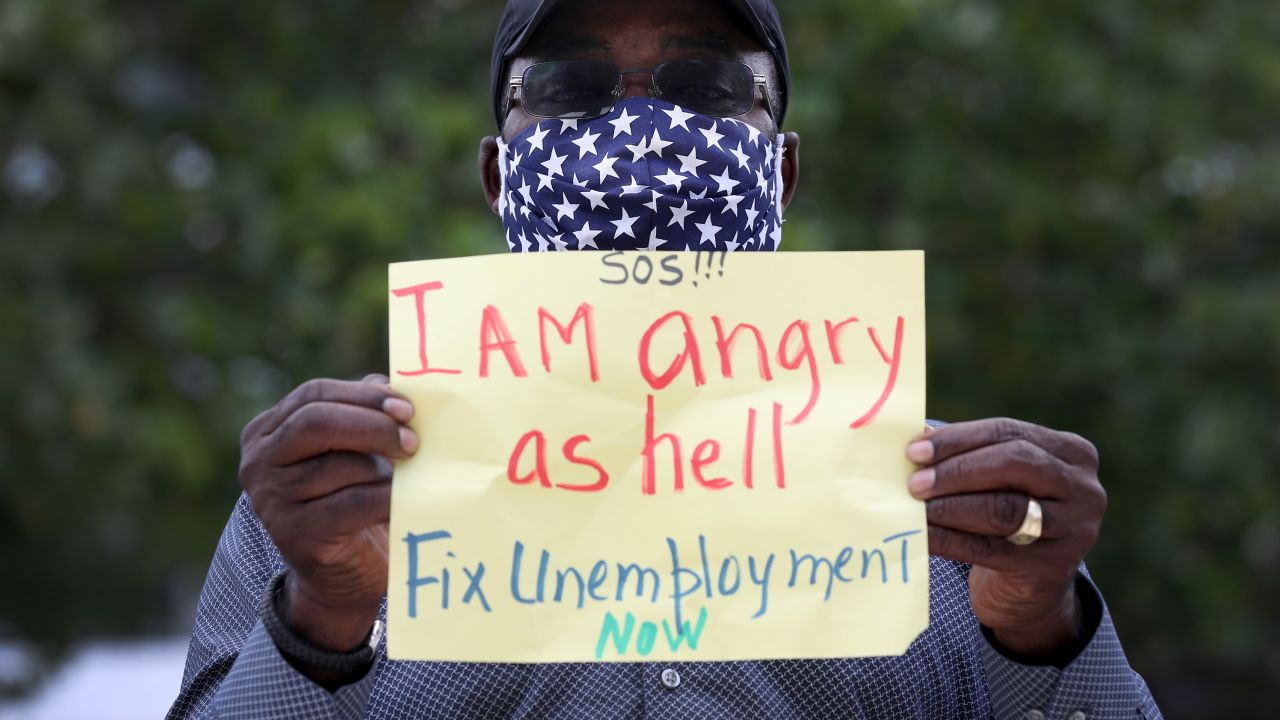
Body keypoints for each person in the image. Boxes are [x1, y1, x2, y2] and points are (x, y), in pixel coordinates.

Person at [170, 1, 1164, 718]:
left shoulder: (963, 514)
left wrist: (1041, 634)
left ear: (780, 170)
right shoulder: (330, 502)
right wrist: (319, 622)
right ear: (494, 172)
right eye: (568, 88)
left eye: (706, 86)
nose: (637, 131)